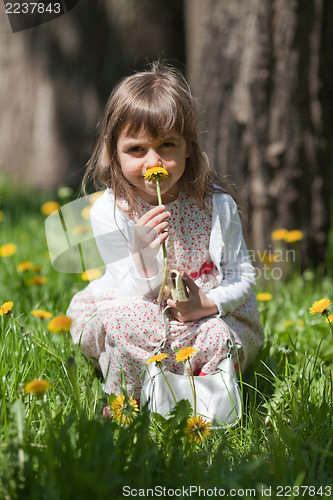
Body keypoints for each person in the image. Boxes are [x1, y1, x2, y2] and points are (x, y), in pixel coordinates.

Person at [67, 61, 264, 400]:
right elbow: (126, 291)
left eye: (167, 146)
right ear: (114, 152)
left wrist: (207, 304)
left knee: (217, 335)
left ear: (189, 146)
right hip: (140, 305)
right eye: (136, 149)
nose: (153, 162)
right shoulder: (111, 211)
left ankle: (201, 405)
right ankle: (127, 408)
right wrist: (143, 256)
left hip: (201, 314)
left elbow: (242, 275)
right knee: (126, 322)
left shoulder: (215, 205)